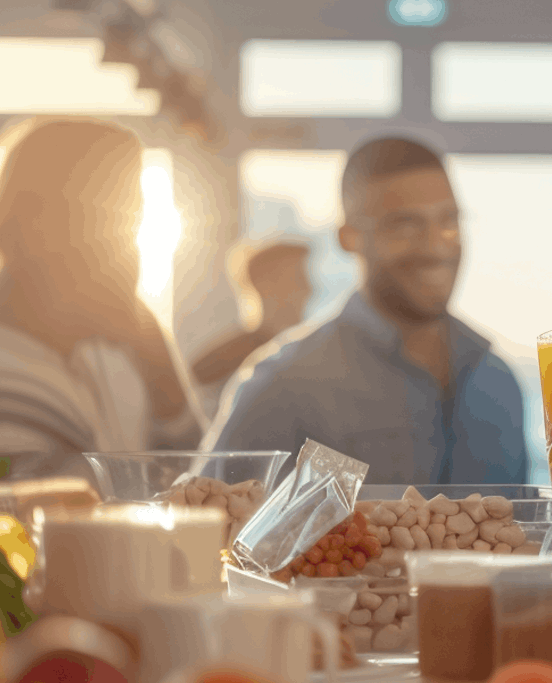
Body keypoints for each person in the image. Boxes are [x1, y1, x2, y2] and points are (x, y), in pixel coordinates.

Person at [205, 136, 528, 484]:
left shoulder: (497, 381)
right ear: (349, 238)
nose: (436, 246)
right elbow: (206, 527)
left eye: (448, 221)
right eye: (405, 225)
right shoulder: (281, 386)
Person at [0, 118, 203, 479]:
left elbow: (201, 490)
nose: (132, 255)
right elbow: (35, 524)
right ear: (35, 227)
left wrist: (163, 376)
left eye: (135, 227)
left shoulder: (112, 363)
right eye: (109, 226)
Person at [192, 238, 313, 395]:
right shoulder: (218, 364)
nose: (308, 288)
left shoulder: (309, 351)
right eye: (297, 279)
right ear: (265, 286)